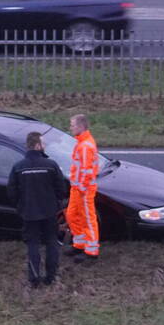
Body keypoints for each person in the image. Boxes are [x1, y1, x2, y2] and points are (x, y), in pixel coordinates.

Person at [7, 131, 66, 287]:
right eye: (43, 143)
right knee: (51, 242)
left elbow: (12, 192)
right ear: (38, 145)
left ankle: (34, 278)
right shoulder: (51, 165)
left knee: (32, 244)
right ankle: (51, 276)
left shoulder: (18, 166)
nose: (45, 145)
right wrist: (56, 202)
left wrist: (20, 206)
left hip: (29, 212)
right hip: (49, 211)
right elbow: (61, 188)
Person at [65, 113, 100, 262]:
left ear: (80, 126)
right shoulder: (82, 142)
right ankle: (79, 244)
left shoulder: (85, 146)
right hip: (77, 188)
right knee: (72, 215)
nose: (70, 128)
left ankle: (91, 252)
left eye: (72, 125)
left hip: (83, 190)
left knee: (87, 219)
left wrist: (82, 189)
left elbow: (86, 171)